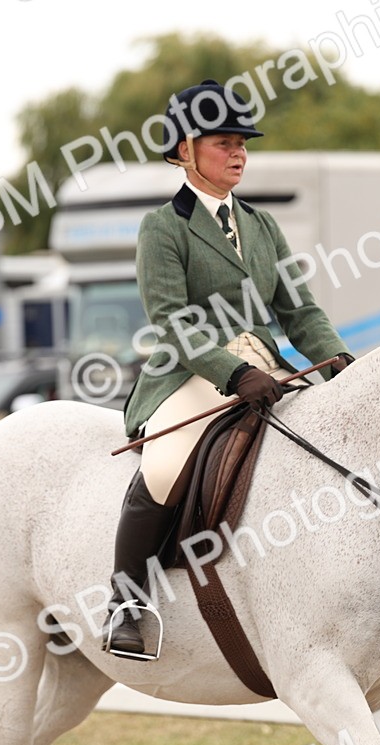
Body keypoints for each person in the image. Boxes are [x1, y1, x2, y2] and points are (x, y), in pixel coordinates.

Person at [103, 79, 354, 659]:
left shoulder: (262, 226)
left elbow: (300, 310)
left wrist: (340, 363)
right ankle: (127, 601)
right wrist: (232, 374)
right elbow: (170, 321)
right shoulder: (162, 228)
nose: (239, 152)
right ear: (185, 151)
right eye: (223, 142)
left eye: (243, 142)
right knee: (166, 465)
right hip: (189, 373)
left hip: (267, 370)